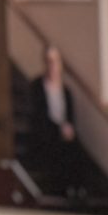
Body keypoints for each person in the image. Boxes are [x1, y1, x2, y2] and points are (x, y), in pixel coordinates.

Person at [27, 42, 81, 204]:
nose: (52, 65)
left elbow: (70, 116)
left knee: (73, 146)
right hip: (45, 131)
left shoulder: (66, 91)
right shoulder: (37, 86)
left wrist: (68, 128)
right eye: (49, 61)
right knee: (55, 144)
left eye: (55, 61)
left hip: (62, 132)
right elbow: (38, 115)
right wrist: (58, 128)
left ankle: (72, 189)